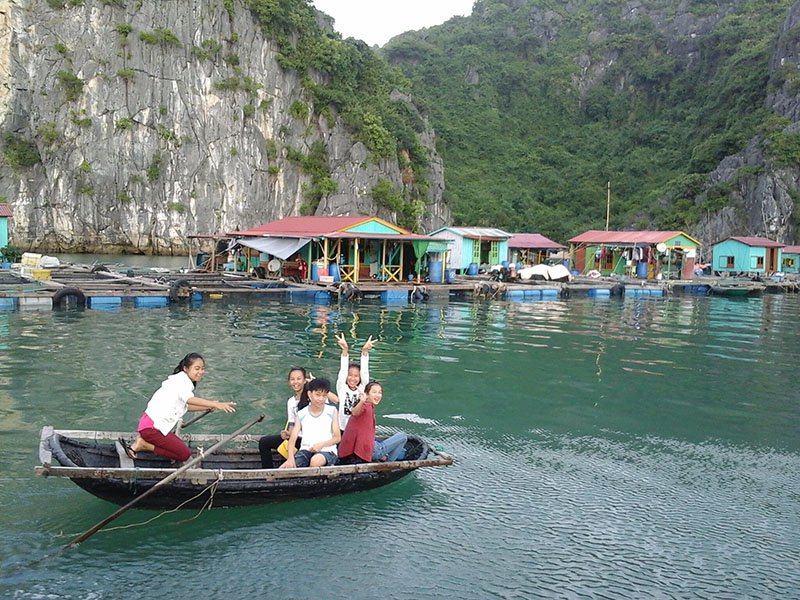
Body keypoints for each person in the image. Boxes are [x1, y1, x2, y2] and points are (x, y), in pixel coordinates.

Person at [122, 353, 236, 461]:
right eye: (197, 368)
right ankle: (144, 445)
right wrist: (215, 404)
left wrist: (206, 408)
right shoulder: (182, 381)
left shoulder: (179, 380)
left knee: (179, 448)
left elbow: (186, 405)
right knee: (184, 454)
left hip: (148, 426)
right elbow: (189, 399)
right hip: (153, 429)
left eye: (202, 368)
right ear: (186, 369)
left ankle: (144, 442)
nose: (201, 372)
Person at [338, 381, 407, 464]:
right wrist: (362, 401)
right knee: (403, 436)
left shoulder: (368, 406)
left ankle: (386, 457)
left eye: (380, 392)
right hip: (368, 450)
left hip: (355, 449)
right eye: (374, 392)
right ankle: (388, 464)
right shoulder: (365, 406)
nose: (378, 395)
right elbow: (355, 412)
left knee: (402, 451)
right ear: (367, 394)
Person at [280, 377, 340, 468]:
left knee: (315, 461)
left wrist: (321, 445)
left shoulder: (332, 411)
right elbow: (293, 438)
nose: (321, 399)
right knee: (284, 469)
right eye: (318, 395)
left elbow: (337, 438)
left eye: (324, 396)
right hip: (305, 450)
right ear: (309, 394)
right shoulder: (301, 414)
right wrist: (290, 458)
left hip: (327, 451)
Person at [258, 366, 307, 469]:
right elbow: (291, 423)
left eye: (299, 379)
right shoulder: (291, 402)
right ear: (289, 382)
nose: (295, 382)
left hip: (307, 440)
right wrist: (287, 433)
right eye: (292, 379)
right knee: (264, 442)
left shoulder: (311, 398)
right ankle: (268, 473)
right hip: (295, 438)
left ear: (305, 380)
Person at [335, 332, 375, 433]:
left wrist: (364, 351)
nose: (352, 378)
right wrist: (345, 350)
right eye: (350, 375)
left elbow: (365, 372)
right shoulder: (342, 388)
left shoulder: (362, 389)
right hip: (342, 428)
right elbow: (343, 370)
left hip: (356, 428)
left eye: (356, 376)